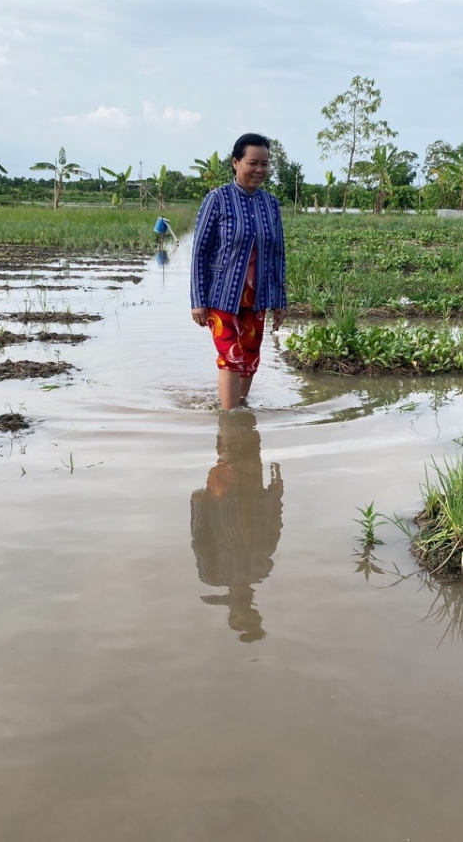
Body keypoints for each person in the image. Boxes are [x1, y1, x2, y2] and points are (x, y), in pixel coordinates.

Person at [190, 133, 287, 410]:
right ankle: (230, 421)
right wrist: (198, 300)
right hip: (222, 295)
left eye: (265, 164)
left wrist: (280, 300)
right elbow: (200, 252)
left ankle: (239, 406)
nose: (260, 170)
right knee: (231, 356)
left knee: (250, 357)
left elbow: (278, 254)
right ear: (235, 162)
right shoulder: (217, 199)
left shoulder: (270, 204)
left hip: (257, 296)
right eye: (253, 163)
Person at [190, 411, 284, 643]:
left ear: (232, 615)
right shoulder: (261, 570)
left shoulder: (212, 576)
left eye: (248, 616)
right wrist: (276, 493)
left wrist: (276, 494)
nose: (251, 610)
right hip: (240, 493)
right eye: (254, 615)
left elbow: (200, 539)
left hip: (228, 498)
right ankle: (234, 407)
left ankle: (232, 406)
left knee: (232, 444)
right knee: (246, 444)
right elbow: (273, 532)